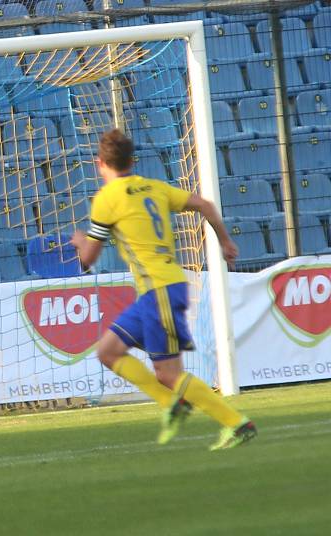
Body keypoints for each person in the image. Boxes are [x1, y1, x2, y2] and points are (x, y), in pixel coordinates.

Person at [70, 129, 257, 451]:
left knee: (168, 373)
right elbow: (205, 205)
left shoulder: (106, 200)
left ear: (99, 163)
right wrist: (226, 241)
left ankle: (236, 423)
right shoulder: (154, 189)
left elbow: (88, 259)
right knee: (108, 351)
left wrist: (79, 242)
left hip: (160, 291)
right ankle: (173, 404)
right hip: (160, 290)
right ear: (132, 161)